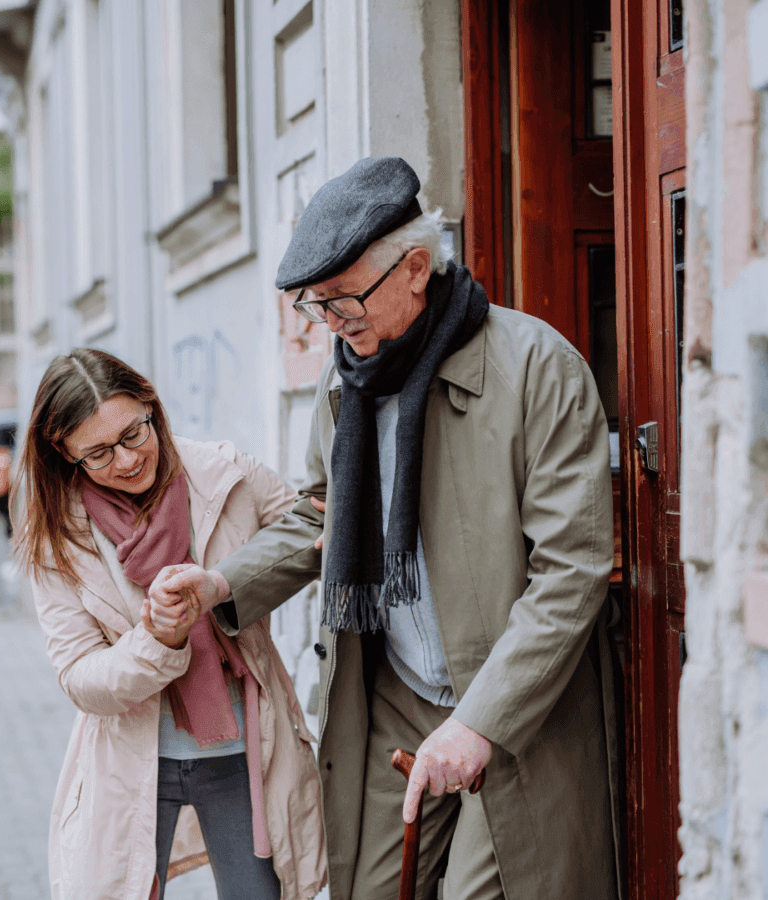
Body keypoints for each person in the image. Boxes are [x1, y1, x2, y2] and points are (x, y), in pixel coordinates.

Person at [149, 157, 621, 900]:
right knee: (366, 890)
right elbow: (320, 513)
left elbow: (574, 569)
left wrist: (481, 723)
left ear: (415, 268)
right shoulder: (347, 383)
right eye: (317, 308)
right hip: (396, 693)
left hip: (508, 700)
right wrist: (221, 582)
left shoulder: (536, 366)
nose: (333, 325)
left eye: (344, 303)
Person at [12, 349, 326, 900]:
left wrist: (224, 583)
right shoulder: (58, 536)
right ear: (64, 452)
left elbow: (308, 535)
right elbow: (80, 678)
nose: (128, 460)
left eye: (134, 433)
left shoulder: (228, 477)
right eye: (100, 453)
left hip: (243, 752)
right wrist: (156, 639)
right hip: (130, 766)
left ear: (151, 406)